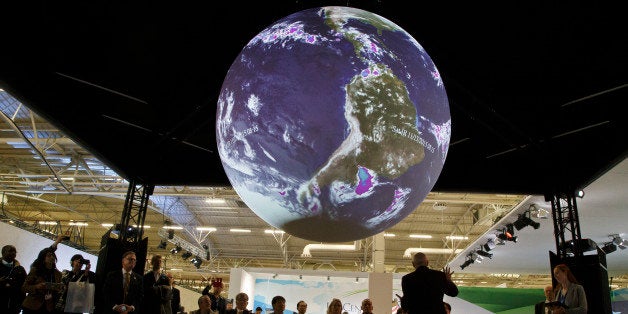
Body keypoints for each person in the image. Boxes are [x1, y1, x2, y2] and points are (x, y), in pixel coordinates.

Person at [21, 235, 64, 314]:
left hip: (48, 306)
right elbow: (24, 287)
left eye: (53, 255)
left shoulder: (58, 274)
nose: (52, 257)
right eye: (49, 256)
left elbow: (58, 291)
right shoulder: (36, 270)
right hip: (32, 306)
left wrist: (59, 288)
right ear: (43, 259)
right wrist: (37, 287)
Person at [1, 244, 27, 314]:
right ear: (3, 253)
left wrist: (22, 303)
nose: (13, 253)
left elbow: (24, 286)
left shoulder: (20, 269)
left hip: (13, 304)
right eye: (10, 251)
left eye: (15, 252)